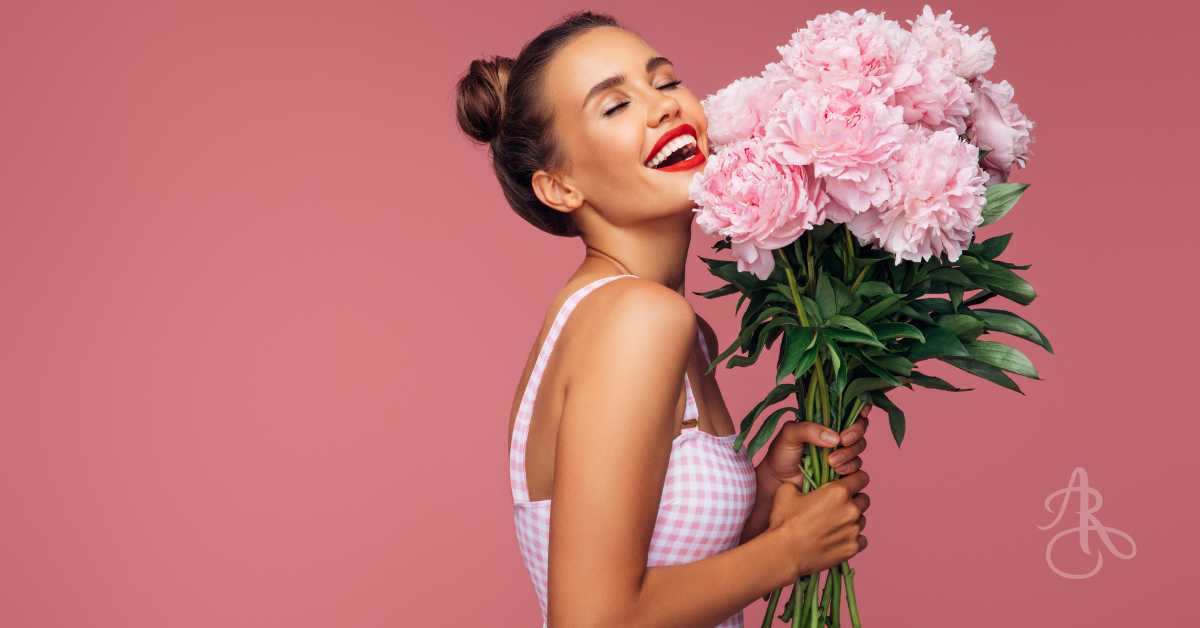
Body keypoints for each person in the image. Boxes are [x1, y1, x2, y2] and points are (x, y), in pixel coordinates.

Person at [455, 11, 871, 627]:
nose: (662, 107)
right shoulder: (638, 317)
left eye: (666, 82)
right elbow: (594, 619)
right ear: (560, 186)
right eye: (615, 106)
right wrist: (789, 551)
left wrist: (762, 498)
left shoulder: (671, 325)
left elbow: (664, 570)